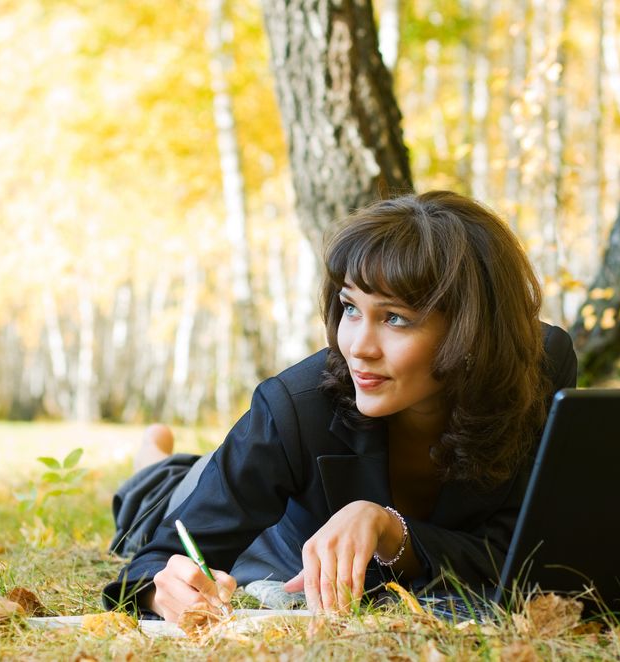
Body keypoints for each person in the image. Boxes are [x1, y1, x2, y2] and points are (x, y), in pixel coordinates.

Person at [103, 190, 577, 622]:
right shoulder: (293, 406)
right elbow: (160, 557)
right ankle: (153, 461)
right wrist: (160, 591)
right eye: (351, 307)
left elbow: (519, 553)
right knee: (163, 499)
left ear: (470, 331)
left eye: (394, 318)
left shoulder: (540, 369)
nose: (358, 347)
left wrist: (392, 529)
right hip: (273, 520)